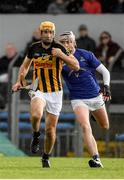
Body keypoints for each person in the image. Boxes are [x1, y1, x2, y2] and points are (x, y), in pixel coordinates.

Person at [12, 21, 79, 168]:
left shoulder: (59, 47)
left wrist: (61, 54)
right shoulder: (34, 47)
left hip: (55, 92)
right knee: (36, 114)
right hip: (38, 89)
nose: (48, 35)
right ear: (41, 33)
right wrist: (19, 81)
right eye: (45, 32)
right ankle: (36, 135)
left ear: (53, 34)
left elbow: (76, 65)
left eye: (50, 32)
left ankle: (45, 156)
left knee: (50, 130)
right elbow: (25, 66)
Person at [59, 31, 111, 168]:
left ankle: (94, 114)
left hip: (95, 96)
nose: (66, 44)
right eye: (63, 42)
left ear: (74, 42)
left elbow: (105, 71)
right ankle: (96, 159)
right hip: (78, 99)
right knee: (85, 126)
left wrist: (107, 87)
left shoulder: (86, 54)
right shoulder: (59, 59)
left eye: (69, 41)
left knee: (105, 125)